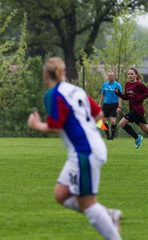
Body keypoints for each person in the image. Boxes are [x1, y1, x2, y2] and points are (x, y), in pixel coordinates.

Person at [28, 57, 122, 240]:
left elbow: (56, 125)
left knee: (87, 203)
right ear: (63, 72)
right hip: (90, 148)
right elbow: (99, 114)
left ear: (46, 74)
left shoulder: (53, 94)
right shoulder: (76, 90)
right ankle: (108, 215)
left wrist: (37, 124)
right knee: (61, 194)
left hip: (84, 152)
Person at [115, 67, 148, 149]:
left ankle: (137, 137)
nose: (130, 75)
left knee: (122, 123)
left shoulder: (139, 85)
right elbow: (126, 97)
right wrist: (118, 93)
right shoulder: (127, 85)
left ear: (136, 75)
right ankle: (137, 137)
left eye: (132, 74)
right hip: (133, 110)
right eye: (129, 74)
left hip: (138, 110)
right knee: (146, 129)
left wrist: (139, 98)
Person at [98, 71, 123, 140]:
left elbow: (120, 97)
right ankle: (108, 135)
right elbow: (102, 95)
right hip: (106, 104)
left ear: (114, 76)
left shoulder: (117, 85)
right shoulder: (104, 85)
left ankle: (112, 136)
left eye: (112, 76)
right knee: (103, 121)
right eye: (109, 76)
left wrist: (119, 106)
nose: (110, 77)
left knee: (113, 121)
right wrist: (100, 103)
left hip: (114, 105)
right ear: (107, 77)